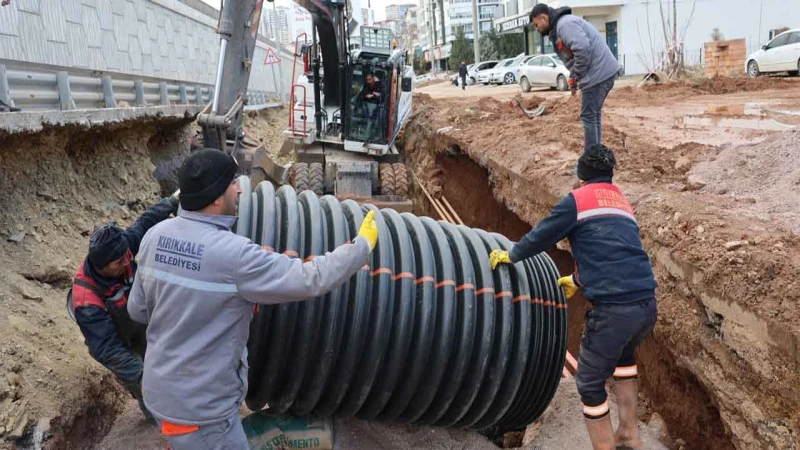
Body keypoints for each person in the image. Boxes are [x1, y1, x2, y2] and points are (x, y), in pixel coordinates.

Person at [127, 149, 377, 449]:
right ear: (217, 197)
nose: (241, 188)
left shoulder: (155, 236)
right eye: (233, 183)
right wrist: (360, 247)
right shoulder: (234, 255)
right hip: (204, 414)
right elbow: (311, 278)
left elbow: (138, 310)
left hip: (160, 396)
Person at [488, 144, 657, 450]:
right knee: (624, 359)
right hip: (646, 303)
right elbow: (614, 254)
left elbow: (543, 234)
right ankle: (629, 434)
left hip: (614, 310)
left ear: (582, 176)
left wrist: (512, 255)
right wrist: (578, 279)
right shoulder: (621, 202)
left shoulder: (577, 201)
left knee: (590, 383)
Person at [69, 194, 179, 423]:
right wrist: (144, 376)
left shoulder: (120, 250)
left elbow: (145, 221)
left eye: (126, 258)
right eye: (119, 263)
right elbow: (107, 349)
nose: (127, 263)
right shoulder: (86, 300)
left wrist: (173, 200)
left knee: (167, 363)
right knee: (148, 385)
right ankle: (159, 419)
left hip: (138, 321)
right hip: (116, 343)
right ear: (101, 267)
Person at [529, 4, 620, 152]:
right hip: (601, 72)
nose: (536, 28)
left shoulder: (564, 25)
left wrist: (577, 74)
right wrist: (574, 76)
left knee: (588, 116)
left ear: (544, 18)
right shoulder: (559, 28)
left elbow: (583, 48)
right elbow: (573, 55)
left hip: (598, 74)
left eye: (536, 24)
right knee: (593, 115)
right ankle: (595, 157)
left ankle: (591, 162)